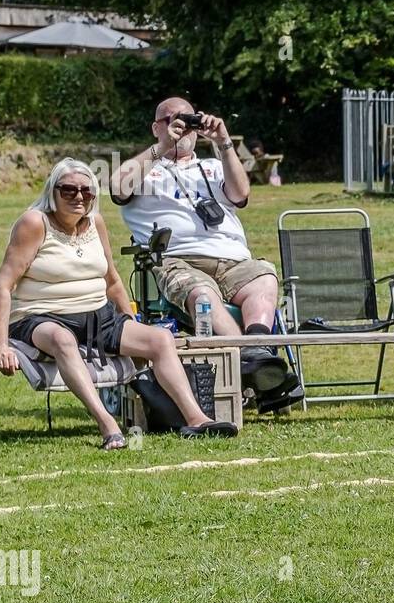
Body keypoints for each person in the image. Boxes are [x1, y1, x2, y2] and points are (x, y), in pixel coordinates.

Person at [0, 159, 238, 447]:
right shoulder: (34, 223)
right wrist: (1, 344)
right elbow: (3, 285)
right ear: (52, 192)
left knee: (160, 340)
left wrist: (128, 320)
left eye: (87, 191)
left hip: (98, 315)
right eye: (68, 190)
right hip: (41, 316)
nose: (79, 197)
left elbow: (113, 280)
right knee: (63, 340)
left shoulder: (95, 222)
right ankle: (108, 425)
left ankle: (197, 419)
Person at [111, 98, 301, 413]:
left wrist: (224, 142)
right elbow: (117, 187)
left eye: (187, 119)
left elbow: (241, 194)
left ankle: (256, 355)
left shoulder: (213, 166)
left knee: (265, 277)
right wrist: (162, 146)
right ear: (155, 127)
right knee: (202, 294)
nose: (180, 125)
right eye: (170, 119)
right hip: (178, 260)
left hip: (233, 261)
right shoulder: (147, 167)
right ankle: (257, 363)